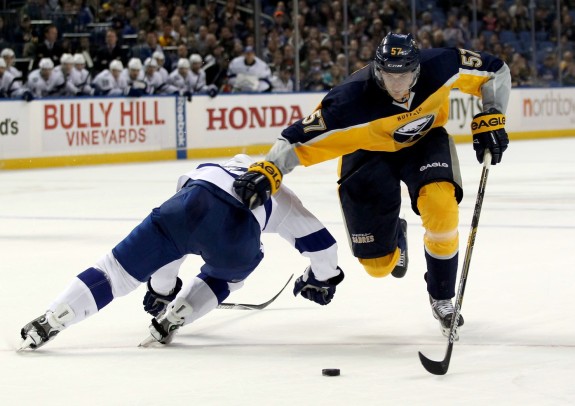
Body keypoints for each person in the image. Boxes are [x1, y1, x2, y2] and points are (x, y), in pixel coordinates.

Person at [233, 33, 511, 339]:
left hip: (425, 141)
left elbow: (494, 69)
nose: (396, 84)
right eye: (388, 75)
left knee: (442, 209)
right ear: (377, 69)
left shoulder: (441, 64)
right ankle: (396, 235)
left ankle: (442, 296)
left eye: (403, 75)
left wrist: (492, 113)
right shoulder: (349, 99)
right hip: (366, 154)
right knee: (377, 267)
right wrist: (268, 168)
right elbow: (297, 137)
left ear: (416, 69)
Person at [19, 154, 343, 350]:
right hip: (239, 240)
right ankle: (178, 315)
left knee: (114, 272)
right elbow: (324, 246)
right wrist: (320, 279)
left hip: (192, 202)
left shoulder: (209, 167)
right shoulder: (283, 197)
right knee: (225, 279)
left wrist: (161, 289)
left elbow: (174, 247)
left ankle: (53, 318)